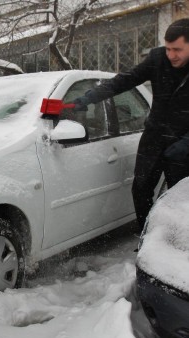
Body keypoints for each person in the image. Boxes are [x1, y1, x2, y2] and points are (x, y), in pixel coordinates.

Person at [73, 18, 189, 232]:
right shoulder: (157, 59)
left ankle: (175, 242)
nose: (171, 55)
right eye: (168, 48)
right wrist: (88, 98)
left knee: (179, 198)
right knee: (141, 189)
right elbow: (124, 80)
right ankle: (147, 236)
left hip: (184, 143)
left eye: (177, 50)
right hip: (155, 136)